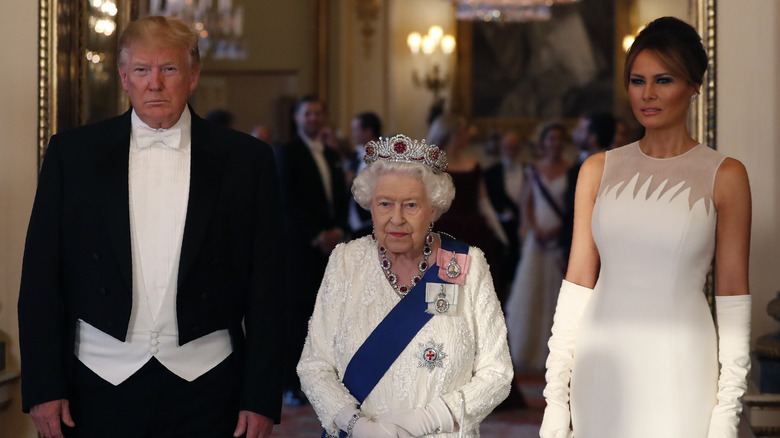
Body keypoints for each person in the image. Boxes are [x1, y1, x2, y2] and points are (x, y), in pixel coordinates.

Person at [17, 16, 284, 438]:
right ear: (124, 77)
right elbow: (40, 280)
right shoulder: (73, 155)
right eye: (141, 70)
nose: (154, 83)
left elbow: (268, 288)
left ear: (193, 76)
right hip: (96, 383)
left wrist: (261, 395)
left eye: (169, 69)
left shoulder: (247, 160)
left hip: (210, 385)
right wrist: (43, 385)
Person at [541, 17, 752, 438]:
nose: (648, 94)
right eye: (638, 81)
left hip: (681, 365)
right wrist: (555, 397)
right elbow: (579, 283)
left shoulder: (725, 175)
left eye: (664, 80)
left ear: (694, 86)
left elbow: (733, 298)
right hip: (601, 366)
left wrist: (728, 407)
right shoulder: (597, 169)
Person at [297, 134, 512, 437]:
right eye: (385, 203)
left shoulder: (467, 263)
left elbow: (497, 373)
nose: (396, 219)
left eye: (411, 205)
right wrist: (357, 427)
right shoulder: (345, 262)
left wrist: (426, 420)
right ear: (369, 205)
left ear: (434, 209)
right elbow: (314, 366)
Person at [276, 95, 348, 406]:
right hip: (301, 248)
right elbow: (287, 202)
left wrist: (338, 230)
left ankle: (324, 382)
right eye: (308, 114)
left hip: (330, 248)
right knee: (297, 316)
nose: (314, 119)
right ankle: (292, 384)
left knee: (328, 317)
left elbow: (341, 198)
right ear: (297, 117)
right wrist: (316, 235)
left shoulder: (332, 154)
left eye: (319, 113)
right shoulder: (287, 153)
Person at [504, 122, 571, 372]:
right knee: (532, 292)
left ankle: (557, 354)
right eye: (550, 139)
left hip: (559, 240)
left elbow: (571, 208)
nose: (554, 143)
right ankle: (528, 351)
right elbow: (526, 204)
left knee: (556, 296)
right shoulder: (533, 170)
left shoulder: (571, 169)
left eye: (558, 139)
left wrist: (556, 231)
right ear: (543, 143)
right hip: (537, 240)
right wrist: (534, 229)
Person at [427, 114, 508, 300]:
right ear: (451, 132)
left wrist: (499, 234)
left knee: (476, 293)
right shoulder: (432, 167)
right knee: (445, 293)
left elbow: (483, 202)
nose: (468, 134)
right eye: (464, 129)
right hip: (443, 232)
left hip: (474, 233)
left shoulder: (473, 164)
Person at [559, 112, 616, 270]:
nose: (574, 132)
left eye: (581, 129)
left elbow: (574, 211)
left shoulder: (611, 167)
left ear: (593, 137)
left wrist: (566, 249)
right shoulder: (578, 163)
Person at [484, 131, 525, 301]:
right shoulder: (490, 173)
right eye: (507, 146)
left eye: (514, 147)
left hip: (524, 229)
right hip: (500, 231)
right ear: (501, 148)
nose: (511, 150)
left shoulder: (529, 170)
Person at [347, 111, 382, 238]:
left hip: (372, 222)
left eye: (355, 129)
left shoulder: (383, 157)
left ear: (368, 131)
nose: (352, 134)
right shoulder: (356, 155)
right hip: (354, 223)